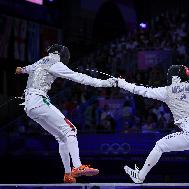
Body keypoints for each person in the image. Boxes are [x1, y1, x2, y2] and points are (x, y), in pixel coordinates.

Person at [15, 44, 116, 183]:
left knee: (61, 137)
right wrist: (104, 83)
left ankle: (68, 175)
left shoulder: (41, 61)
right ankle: (78, 167)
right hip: (39, 100)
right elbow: (79, 77)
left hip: (29, 106)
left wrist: (21, 70)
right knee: (71, 129)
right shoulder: (55, 63)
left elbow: (27, 68)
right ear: (61, 54)